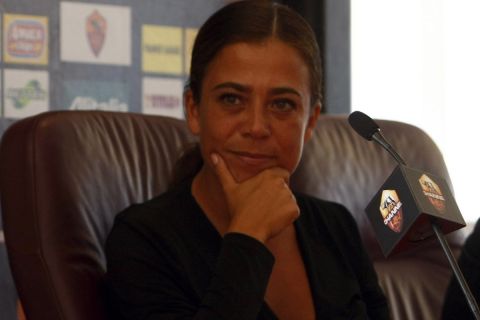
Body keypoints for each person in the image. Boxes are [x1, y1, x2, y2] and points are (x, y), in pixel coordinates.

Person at [105, 1, 390, 319]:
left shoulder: (335, 226)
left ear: (310, 122)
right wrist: (248, 236)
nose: (256, 127)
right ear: (194, 110)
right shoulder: (143, 241)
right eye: (231, 99)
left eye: (282, 104)